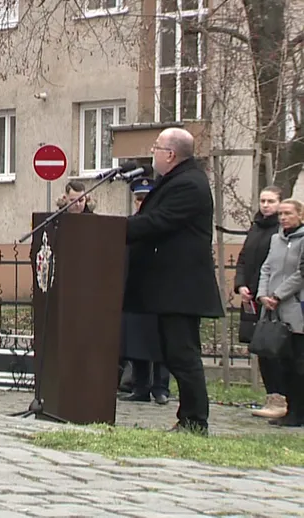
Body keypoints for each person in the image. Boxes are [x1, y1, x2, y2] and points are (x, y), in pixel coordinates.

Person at [125, 127, 224, 435]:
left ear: (170, 154)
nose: (152, 152)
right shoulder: (176, 180)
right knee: (175, 353)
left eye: (156, 147)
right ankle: (190, 417)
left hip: (182, 288)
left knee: (183, 354)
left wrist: (116, 229)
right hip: (170, 287)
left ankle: (195, 420)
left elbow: (159, 221)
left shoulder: (189, 184)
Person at [230, 187, 285, 419]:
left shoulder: (282, 230)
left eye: (271, 201)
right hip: (252, 297)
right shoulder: (255, 228)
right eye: (263, 200)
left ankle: (283, 398)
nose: (266, 205)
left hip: (273, 298)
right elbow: (242, 259)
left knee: (277, 350)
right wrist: (241, 284)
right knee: (261, 348)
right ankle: (271, 396)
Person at [119, 175, 171, 405]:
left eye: (145, 199)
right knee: (136, 340)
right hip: (136, 288)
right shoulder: (129, 224)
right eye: (138, 199)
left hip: (159, 289)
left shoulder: (162, 223)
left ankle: (160, 388)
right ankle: (140, 387)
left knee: (159, 341)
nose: (141, 203)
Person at [254, 198, 304, 428]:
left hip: (295, 307)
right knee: (282, 362)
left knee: (298, 363)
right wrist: (263, 294)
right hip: (273, 308)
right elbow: (266, 267)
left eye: (288, 214)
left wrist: (279, 294)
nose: (283, 218)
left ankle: (299, 412)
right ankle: (288, 408)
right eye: (281, 214)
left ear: (300, 216)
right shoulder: (276, 239)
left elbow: (301, 273)